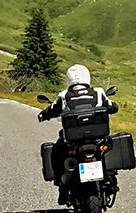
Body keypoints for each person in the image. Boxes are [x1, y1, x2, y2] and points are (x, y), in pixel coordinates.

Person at [38, 64, 118, 204]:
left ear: (69, 79)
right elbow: (112, 107)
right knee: (109, 146)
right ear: (87, 76)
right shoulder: (98, 92)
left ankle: (62, 187)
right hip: (97, 139)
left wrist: (42, 115)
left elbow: (51, 110)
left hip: (73, 142)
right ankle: (110, 177)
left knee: (56, 151)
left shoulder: (64, 96)